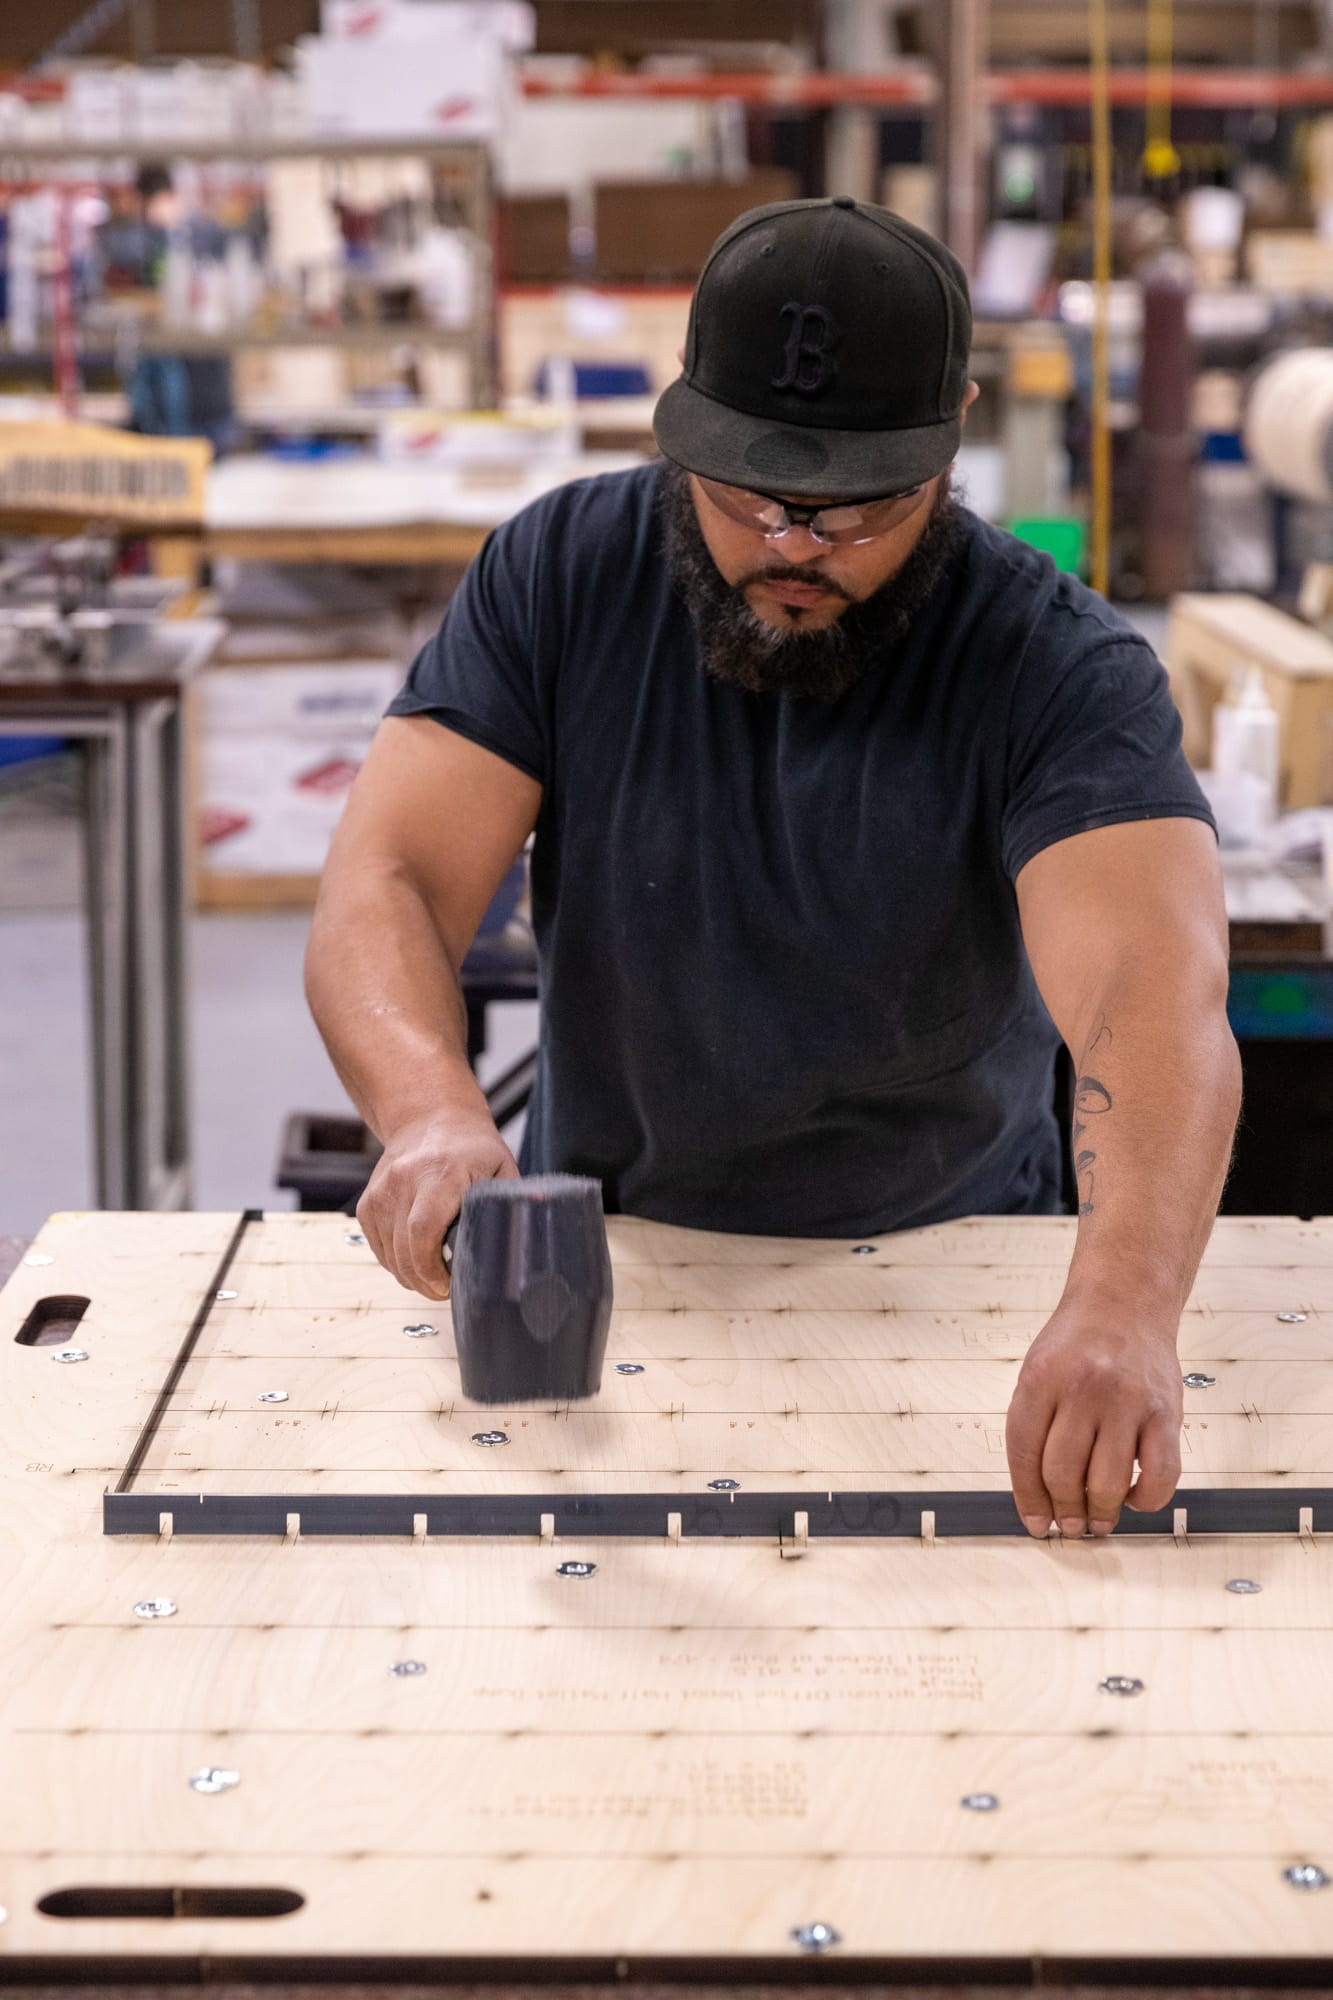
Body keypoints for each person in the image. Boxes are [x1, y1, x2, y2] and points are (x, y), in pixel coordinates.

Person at [306, 196, 1240, 1542]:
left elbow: (1151, 999)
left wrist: (1120, 1308)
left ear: (949, 439)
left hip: (950, 1259)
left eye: (857, 512)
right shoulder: (560, 576)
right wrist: (432, 1112)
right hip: (610, 1250)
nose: (794, 548)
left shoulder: (1056, 666)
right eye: (751, 500)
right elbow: (383, 877)